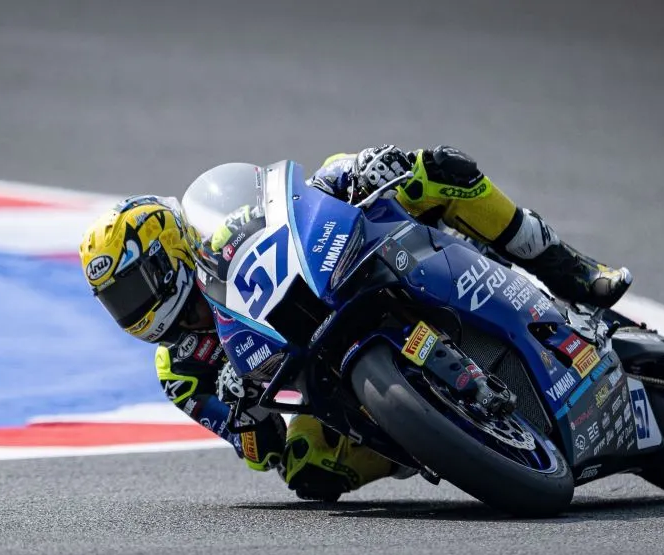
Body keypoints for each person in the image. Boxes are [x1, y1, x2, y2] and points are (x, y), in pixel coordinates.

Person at [77, 145, 630, 501]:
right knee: (306, 469)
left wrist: (359, 169)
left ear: (167, 253)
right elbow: (259, 451)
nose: (133, 309)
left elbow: (291, 201)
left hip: (345, 272)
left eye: (133, 289)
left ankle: (574, 272)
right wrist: (245, 411)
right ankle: (438, 438)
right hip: (320, 382)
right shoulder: (180, 371)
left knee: (433, 170)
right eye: (116, 302)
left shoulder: (222, 235)